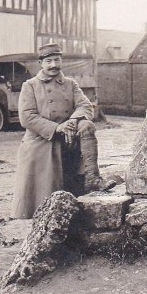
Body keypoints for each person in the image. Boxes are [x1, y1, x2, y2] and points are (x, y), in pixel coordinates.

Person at [11, 43, 115, 219]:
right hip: (42, 139)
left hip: (68, 136)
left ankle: (92, 178)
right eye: (49, 61)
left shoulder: (70, 84)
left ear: (61, 61)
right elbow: (27, 117)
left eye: (57, 60)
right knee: (45, 204)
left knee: (87, 125)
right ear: (41, 63)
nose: (53, 65)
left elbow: (85, 106)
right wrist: (57, 127)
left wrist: (73, 120)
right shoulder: (30, 86)